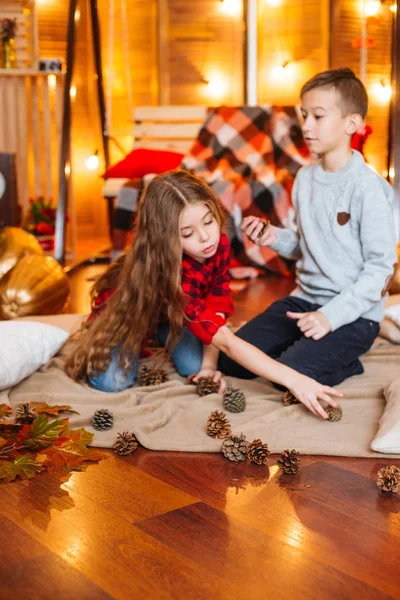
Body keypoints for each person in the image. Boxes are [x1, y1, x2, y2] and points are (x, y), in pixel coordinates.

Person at [64, 169, 341, 418]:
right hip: (132, 316)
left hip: (175, 314)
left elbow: (216, 306)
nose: (206, 237)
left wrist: (208, 367)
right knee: (113, 382)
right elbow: (227, 341)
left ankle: (167, 330)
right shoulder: (172, 275)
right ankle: (134, 338)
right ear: (167, 239)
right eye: (188, 233)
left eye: (208, 222)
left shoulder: (216, 243)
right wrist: (294, 379)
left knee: (195, 365)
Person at [219, 68, 397, 389]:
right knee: (232, 360)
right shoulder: (305, 179)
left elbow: (380, 269)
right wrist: (274, 237)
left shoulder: (368, 189)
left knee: (287, 374)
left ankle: (349, 361)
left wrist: (330, 317)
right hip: (304, 301)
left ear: (352, 124)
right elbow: (306, 245)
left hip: (353, 314)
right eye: (304, 116)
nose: (306, 126)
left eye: (318, 116)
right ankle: (308, 350)